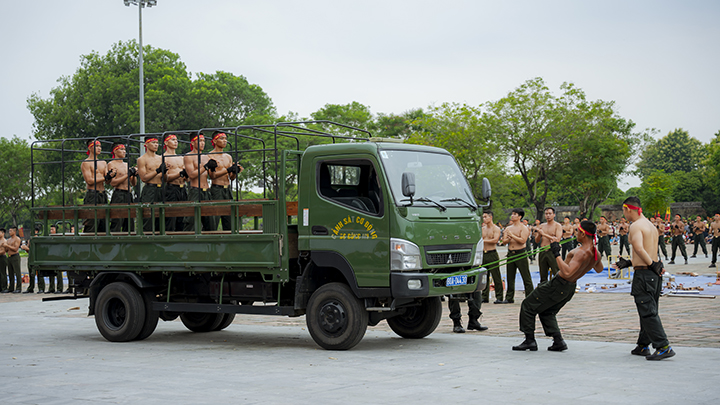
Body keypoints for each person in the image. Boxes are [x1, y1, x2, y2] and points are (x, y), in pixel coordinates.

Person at [512, 220, 603, 352]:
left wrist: (557, 254)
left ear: (583, 234)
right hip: (569, 287)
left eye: (577, 231)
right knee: (547, 311)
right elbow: (599, 269)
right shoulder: (595, 253)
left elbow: (567, 271)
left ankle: (529, 340)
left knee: (528, 305)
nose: (575, 233)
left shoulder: (581, 252)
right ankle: (558, 341)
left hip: (559, 284)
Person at [614, 197, 675, 360]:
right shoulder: (650, 225)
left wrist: (651, 264)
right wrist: (628, 262)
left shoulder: (635, 226)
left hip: (645, 273)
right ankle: (643, 345)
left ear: (628, 209)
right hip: (653, 273)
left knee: (647, 311)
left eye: (623, 210)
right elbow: (648, 250)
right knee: (647, 309)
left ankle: (663, 346)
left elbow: (640, 249)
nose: (623, 214)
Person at [207, 132, 243, 230]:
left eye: (225, 139)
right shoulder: (210, 156)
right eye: (222, 138)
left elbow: (231, 178)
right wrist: (228, 170)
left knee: (230, 219)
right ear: (215, 141)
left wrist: (235, 171)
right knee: (215, 217)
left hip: (228, 189)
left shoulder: (228, 157)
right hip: (217, 189)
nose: (225, 141)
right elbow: (212, 176)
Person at [183, 133, 215, 232]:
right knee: (191, 221)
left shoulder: (207, 156)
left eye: (204, 141)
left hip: (207, 191)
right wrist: (205, 167)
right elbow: (191, 175)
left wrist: (213, 168)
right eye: (200, 141)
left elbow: (212, 176)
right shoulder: (188, 156)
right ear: (193, 142)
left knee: (210, 221)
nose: (202, 143)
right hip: (196, 191)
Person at [501, 208, 533, 304]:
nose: (512, 215)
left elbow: (523, 240)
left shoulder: (523, 228)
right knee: (510, 276)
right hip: (511, 253)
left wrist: (512, 236)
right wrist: (508, 238)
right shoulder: (508, 228)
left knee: (525, 276)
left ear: (520, 217)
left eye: (515, 214)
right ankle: (509, 297)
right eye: (512, 214)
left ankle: (530, 296)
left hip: (520, 253)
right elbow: (504, 241)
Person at [137, 137, 167, 233]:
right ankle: (147, 237)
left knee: (162, 215)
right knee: (148, 216)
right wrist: (157, 170)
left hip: (161, 188)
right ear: (146, 144)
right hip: (150, 189)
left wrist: (165, 171)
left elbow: (165, 178)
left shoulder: (160, 158)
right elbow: (144, 178)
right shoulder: (142, 159)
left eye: (157, 143)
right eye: (153, 143)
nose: (156, 145)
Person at [81, 139, 111, 233]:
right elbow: (89, 181)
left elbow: (107, 182)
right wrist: (105, 177)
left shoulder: (103, 163)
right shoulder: (86, 163)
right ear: (90, 147)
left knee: (104, 223)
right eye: (97, 146)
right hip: (92, 195)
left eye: (100, 146)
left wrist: (111, 175)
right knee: (91, 222)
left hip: (103, 194)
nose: (99, 148)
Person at [108, 142, 137, 233]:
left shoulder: (126, 164)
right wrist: (127, 175)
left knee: (130, 222)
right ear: (115, 151)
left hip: (128, 194)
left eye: (124, 149)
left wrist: (134, 174)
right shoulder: (111, 164)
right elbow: (113, 183)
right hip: (119, 194)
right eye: (121, 149)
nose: (124, 151)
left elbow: (134, 183)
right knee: (117, 221)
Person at [162, 134, 188, 232]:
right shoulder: (163, 157)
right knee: (171, 217)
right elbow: (166, 178)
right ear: (166, 142)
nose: (175, 142)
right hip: (171, 188)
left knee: (183, 217)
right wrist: (180, 174)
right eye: (172, 140)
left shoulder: (182, 158)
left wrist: (186, 175)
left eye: (176, 140)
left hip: (183, 188)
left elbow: (187, 178)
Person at [535, 207, 563, 284]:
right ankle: (544, 291)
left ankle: (558, 290)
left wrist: (544, 234)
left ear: (554, 215)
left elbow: (557, 239)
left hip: (552, 251)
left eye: (550, 214)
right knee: (543, 275)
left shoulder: (557, 225)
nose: (548, 215)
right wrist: (539, 234)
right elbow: (537, 240)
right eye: (546, 214)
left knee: (556, 272)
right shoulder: (542, 226)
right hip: (543, 251)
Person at [481, 211, 503, 305]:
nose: (484, 219)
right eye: (483, 217)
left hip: (492, 253)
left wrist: (483, 240)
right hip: (483, 253)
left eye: (486, 217)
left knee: (496, 276)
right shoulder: (483, 228)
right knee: (484, 276)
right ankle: (484, 296)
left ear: (491, 217)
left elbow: (495, 240)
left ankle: (499, 296)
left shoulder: (496, 228)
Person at [2, 226, 22, 293]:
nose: (9, 232)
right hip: (9, 256)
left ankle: (19, 287)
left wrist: (7, 246)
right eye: (9, 231)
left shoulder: (17, 239)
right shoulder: (9, 240)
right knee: (10, 273)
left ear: (14, 231)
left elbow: (15, 249)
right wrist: (4, 247)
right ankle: (11, 287)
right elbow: (7, 250)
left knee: (17, 272)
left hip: (15, 256)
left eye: (11, 231)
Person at [0, 228, 8, 293]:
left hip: (2, 257)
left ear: (3, 233)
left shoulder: (4, 241)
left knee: (3, 272)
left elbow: (4, 251)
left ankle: (4, 287)